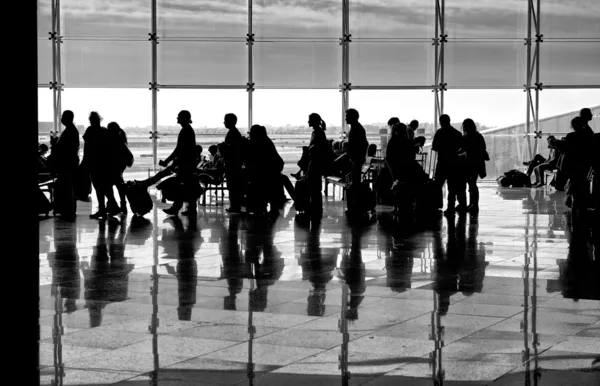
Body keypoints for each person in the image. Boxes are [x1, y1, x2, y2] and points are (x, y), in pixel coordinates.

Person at [160, 110, 198, 216]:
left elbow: (179, 149)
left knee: (181, 185)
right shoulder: (188, 130)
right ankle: (185, 208)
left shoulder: (185, 130)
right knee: (186, 185)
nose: (177, 118)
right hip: (188, 163)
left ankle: (176, 208)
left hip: (185, 164)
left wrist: (167, 161)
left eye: (179, 117)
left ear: (184, 118)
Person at [82, 111, 119, 219]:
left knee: (98, 188)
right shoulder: (104, 131)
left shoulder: (90, 131)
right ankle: (112, 206)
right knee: (106, 187)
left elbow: (87, 148)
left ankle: (103, 209)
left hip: (94, 163)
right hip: (105, 163)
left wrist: (84, 162)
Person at [244, 125, 284, 218]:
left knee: (261, 186)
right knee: (268, 188)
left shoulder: (259, 142)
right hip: (273, 168)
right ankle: (269, 209)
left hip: (269, 169)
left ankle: (261, 208)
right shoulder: (265, 140)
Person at [432, 114, 467, 215]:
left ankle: (436, 205)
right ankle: (450, 207)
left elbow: (434, 147)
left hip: (442, 162)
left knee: (438, 184)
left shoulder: (439, 133)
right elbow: (463, 147)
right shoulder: (456, 133)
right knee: (452, 187)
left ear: (440, 122)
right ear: (449, 121)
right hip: (454, 162)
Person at [48, 110, 80, 217]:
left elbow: (63, 149)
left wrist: (54, 143)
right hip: (69, 163)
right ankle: (67, 208)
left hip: (67, 164)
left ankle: (66, 209)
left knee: (66, 187)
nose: (61, 118)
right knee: (68, 187)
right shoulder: (71, 130)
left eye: (62, 116)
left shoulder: (69, 131)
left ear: (68, 118)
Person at [306, 113, 330, 219]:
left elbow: (319, 148)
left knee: (314, 187)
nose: (308, 122)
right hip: (315, 162)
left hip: (316, 162)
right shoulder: (317, 132)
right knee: (314, 187)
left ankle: (315, 210)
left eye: (309, 120)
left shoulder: (318, 133)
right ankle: (315, 210)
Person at [461, 118, 488, 212]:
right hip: (477, 164)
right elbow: (483, 148)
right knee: (473, 184)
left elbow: (462, 149)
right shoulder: (478, 136)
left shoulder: (466, 137)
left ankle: (473, 204)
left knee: (471, 184)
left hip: (469, 164)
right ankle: (474, 204)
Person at [221, 113, 245, 213]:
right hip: (234, 163)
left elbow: (232, 151)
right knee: (233, 185)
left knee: (233, 185)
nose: (224, 122)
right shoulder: (234, 132)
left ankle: (235, 206)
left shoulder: (232, 133)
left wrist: (223, 147)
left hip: (232, 164)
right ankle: (235, 205)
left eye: (225, 120)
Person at [106, 122, 129, 214]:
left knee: (109, 186)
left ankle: (113, 205)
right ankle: (123, 205)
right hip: (119, 166)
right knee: (119, 185)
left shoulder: (113, 140)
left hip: (113, 165)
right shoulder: (120, 139)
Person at [345, 108, 368, 187]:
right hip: (356, 158)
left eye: (347, 116)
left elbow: (362, 144)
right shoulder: (355, 127)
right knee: (355, 177)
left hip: (357, 158)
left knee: (356, 179)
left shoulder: (357, 129)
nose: (345, 118)